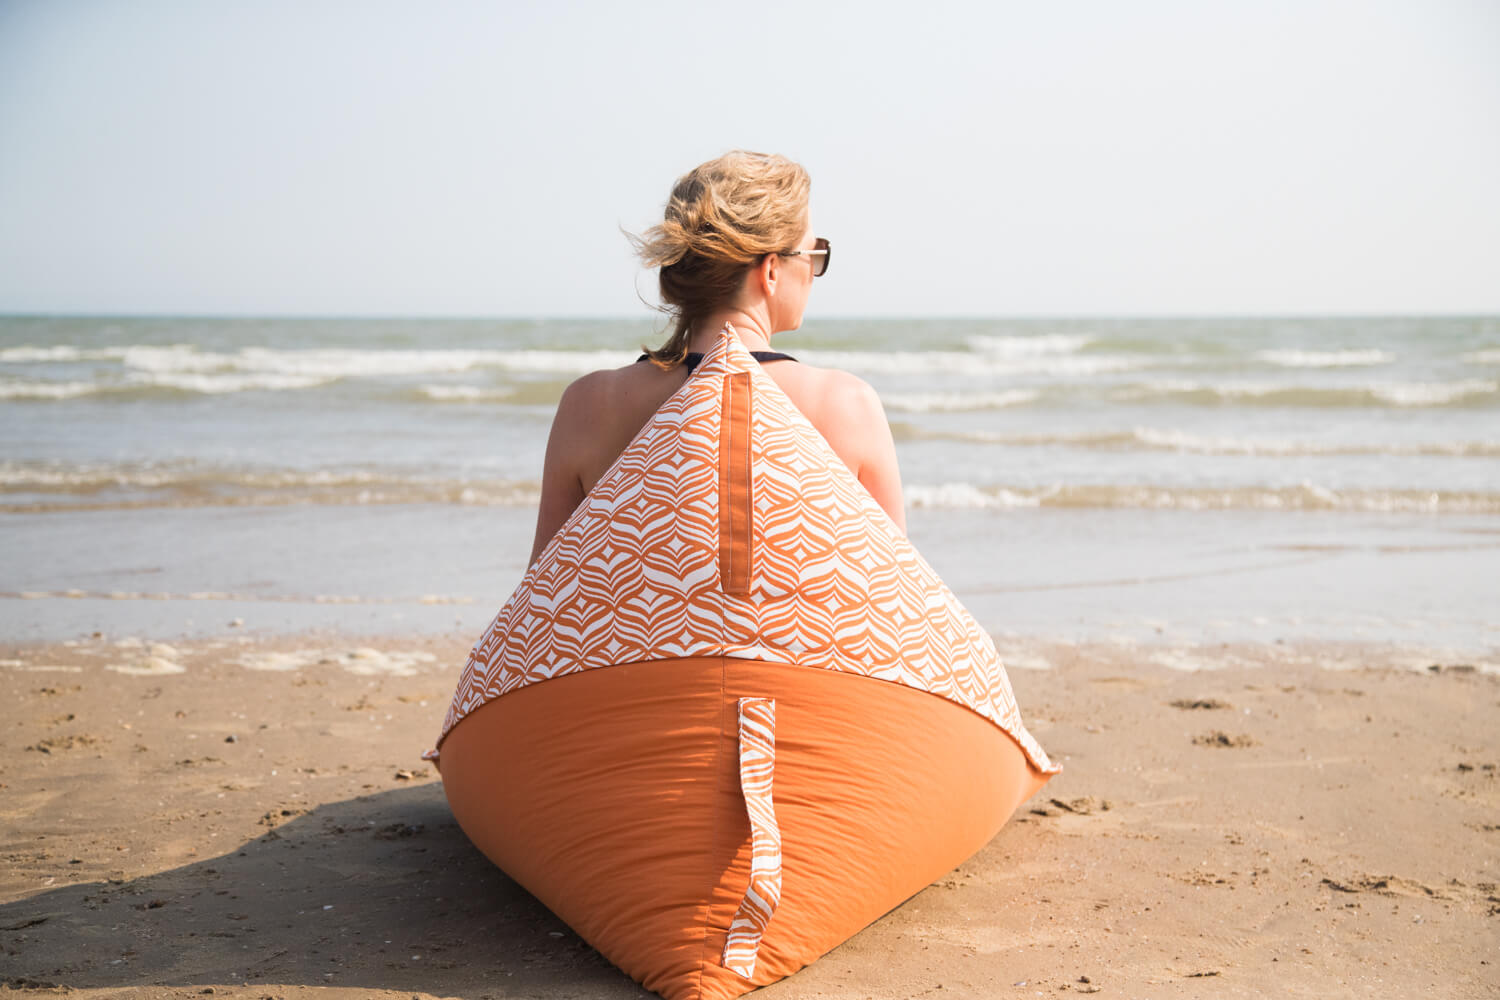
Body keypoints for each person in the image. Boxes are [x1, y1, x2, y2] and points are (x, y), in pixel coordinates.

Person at [527, 150, 905, 566]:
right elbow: (898, 600)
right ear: (772, 270)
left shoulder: (587, 406)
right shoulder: (848, 405)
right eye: (814, 253)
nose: (815, 272)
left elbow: (541, 600)